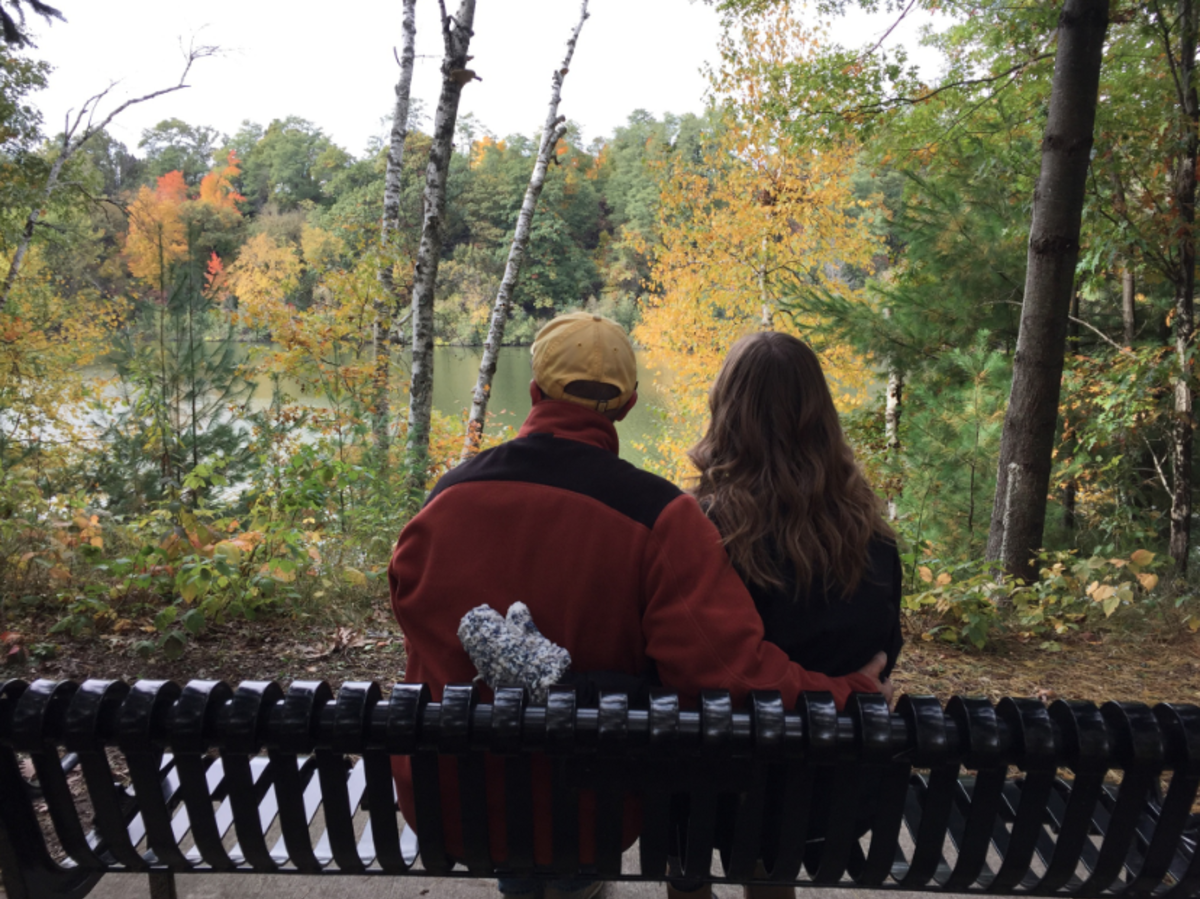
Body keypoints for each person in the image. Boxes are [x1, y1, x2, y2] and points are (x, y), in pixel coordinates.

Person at [388, 312, 888, 899]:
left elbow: (418, 627)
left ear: (534, 391)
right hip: (582, 805)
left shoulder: (442, 503)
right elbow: (729, 676)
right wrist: (849, 694)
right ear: (627, 405)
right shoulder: (659, 519)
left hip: (449, 797)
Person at [683, 331, 904, 899]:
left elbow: (680, 660)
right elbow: (884, 653)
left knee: (692, 801)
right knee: (767, 828)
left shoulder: (699, 528)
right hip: (825, 789)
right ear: (821, 414)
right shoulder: (871, 534)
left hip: (712, 785)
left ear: (725, 409)